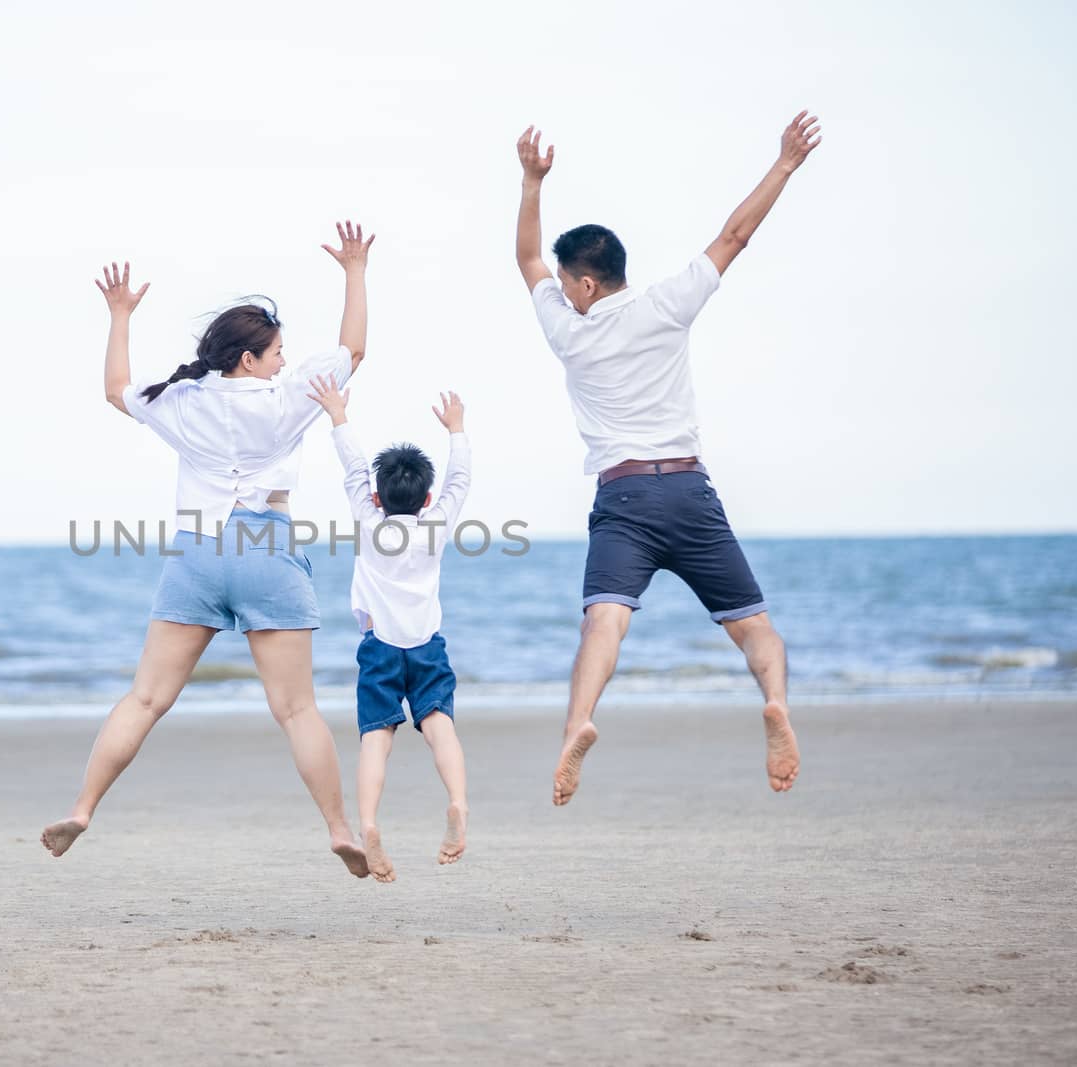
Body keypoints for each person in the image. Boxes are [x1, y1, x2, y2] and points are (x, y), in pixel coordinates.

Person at [40, 222, 378, 878]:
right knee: (297, 708)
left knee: (144, 699)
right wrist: (356, 269)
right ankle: (339, 828)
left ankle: (82, 807)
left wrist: (117, 315)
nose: (284, 360)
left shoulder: (183, 397)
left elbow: (116, 389)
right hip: (266, 545)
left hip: (196, 551)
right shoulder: (286, 396)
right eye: (277, 350)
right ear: (249, 359)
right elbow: (354, 349)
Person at [513, 112, 821, 806]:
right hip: (687, 489)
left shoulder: (570, 332)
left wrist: (531, 183)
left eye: (567, 283)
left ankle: (578, 723)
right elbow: (734, 235)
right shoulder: (667, 305)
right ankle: (775, 703)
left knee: (604, 620)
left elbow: (527, 258)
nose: (560, 290)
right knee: (755, 628)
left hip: (623, 501)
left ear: (586, 286)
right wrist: (784, 165)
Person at [306, 373, 472, 883]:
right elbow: (459, 482)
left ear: (377, 499)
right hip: (427, 647)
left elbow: (355, 468)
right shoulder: (435, 526)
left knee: (376, 738)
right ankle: (458, 804)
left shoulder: (369, 521)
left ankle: (371, 824)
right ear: (426, 500)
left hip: (378, 648)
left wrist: (337, 413)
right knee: (439, 724)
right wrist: (457, 431)